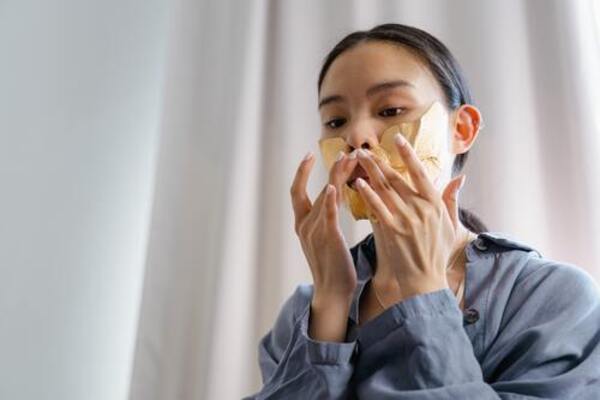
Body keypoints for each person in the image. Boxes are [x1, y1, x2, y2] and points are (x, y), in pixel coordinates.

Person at [244, 23, 600, 399]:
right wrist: (330, 303)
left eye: (390, 109)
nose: (355, 138)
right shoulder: (304, 312)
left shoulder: (553, 298)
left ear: (461, 129)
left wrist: (425, 294)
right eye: (336, 121)